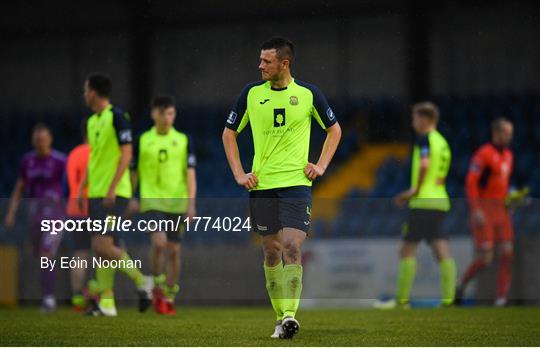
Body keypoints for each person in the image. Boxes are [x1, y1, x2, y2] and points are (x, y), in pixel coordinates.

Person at [222, 37, 341, 339]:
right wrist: (239, 173)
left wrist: (322, 166)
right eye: (260, 60)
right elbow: (228, 134)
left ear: (284, 64)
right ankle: (280, 318)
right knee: (271, 250)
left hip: (296, 185)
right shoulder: (250, 94)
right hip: (262, 187)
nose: (260, 65)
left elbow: (334, 130)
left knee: (292, 246)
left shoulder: (309, 94)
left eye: (267, 61)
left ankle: (290, 315)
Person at [79, 73, 152, 316]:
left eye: (86, 89)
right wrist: (82, 188)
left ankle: (143, 281)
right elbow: (94, 158)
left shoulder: (118, 117)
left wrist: (112, 188)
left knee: (103, 244)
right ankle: (107, 303)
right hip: (96, 192)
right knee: (100, 247)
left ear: (94, 92)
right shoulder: (92, 121)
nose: (84, 94)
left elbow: (127, 154)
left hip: (114, 192)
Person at [375, 102, 456, 309]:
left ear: (425, 120)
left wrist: (414, 190)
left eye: (415, 118)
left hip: (423, 201)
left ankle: (402, 302)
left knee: (406, 250)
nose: (413, 122)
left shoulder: (425, 139)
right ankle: (448, 301)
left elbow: (425, 164)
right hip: (440, 201)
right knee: (441, 250)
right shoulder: (443, 142)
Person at [131, 96, 197, 315]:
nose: (167, 118)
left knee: (174, 250)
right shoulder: (142, 140)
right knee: (159, 242)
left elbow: (190, 175)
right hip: (151, 200)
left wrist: (190, 204)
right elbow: (134, 172)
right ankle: (158, 283)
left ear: (174, 114)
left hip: (177, 203)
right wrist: (131, 195)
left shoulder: (183, 140)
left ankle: (169, 292)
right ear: (154, 115)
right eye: (163, 113)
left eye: (170, 113)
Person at [4, 123, 66, 312]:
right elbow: (20, 186)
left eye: (44, 139)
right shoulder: (27, 161)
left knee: (47, 254)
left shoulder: (60, 161)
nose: (41, 143)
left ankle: (49, 299)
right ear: (33, 141)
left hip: (55, 215)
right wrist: (11, 212)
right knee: (41, 256)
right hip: (34, 214)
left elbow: (74, 183)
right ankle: (46, 296)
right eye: (38, 140)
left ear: (50, 140)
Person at [457, 117, 514, 307]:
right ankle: (461, 285)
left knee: (507, 253)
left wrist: (510, 199)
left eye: (510, 133)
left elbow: (501, 184)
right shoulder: (484, 154)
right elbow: (471, 182)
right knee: (486, 259)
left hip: (501, 212)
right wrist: (475, 209)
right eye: (505, 133)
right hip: (485, 211)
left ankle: (501, 299)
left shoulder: (508, 156)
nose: (509, 136)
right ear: (495, 133)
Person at [65, 119, 92, 311]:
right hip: (95, 208)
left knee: (80, 253)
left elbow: (70, 183)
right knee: (105, 251)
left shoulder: (73, 154)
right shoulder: (97, 153)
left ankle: (77, 298)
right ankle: (101, 294)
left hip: (74, 210)